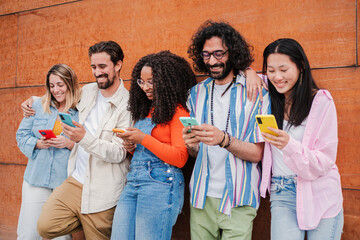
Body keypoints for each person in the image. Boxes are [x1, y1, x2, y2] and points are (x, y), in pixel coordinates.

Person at [22, 41, 131, 239]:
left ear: (118, 65)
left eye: (103, 67)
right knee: (45, 227)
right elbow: (59, 95)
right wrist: (34, 100)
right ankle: (82, 216)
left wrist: (83, 139)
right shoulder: (88, 91)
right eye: (94, 67)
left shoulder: (129, 104)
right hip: (76, 181)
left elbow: (119, 153)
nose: (97, 72)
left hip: (103, 190)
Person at [182, 21, 270, 240]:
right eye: (206, 55)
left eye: (219, 53)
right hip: (201, 197)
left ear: (233, 52)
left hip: (239, 198)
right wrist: (192, 146)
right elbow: (196, 153)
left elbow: (259, 153)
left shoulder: (257, 91)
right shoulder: (195, 94)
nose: (212, 61)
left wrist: (224, 140)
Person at [259, 38, 343, 240]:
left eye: (284, 69)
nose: (277, 77)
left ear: (301, 67)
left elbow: (324, 161)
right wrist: (250, 73)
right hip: (282, 192)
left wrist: (289, 145)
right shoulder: (268, 97)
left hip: (320, 192)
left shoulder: (321, 101)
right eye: (270, 70)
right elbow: (247, 75)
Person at [110, 51, 197, 240]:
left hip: (161, 183)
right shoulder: (145, 110)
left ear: (167, 82)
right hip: (133, 181)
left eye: (151, 82)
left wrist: (143, 139)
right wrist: (131, 147)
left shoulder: (178, 112)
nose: (145, 87)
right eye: (141, 82)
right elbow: (147, 150)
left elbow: (180, 158)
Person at [16, 64, 81, 240]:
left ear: (70, 83)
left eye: (60, 84)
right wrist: (37, 143)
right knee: (28, 234)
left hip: (64, 183)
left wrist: (69, 144)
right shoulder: (37, 105)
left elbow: (88, 145)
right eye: (52, 86)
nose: (56, 90)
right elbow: (21, 136)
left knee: (60, 236)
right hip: (36, 179)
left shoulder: (82, 111)